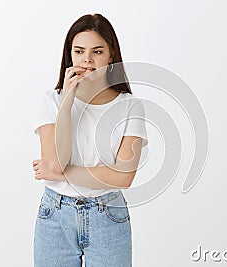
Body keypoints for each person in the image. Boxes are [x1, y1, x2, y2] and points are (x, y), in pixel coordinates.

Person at [31, 13, 148, 267]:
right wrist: (67, 104)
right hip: (55, 216)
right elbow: (56, 162)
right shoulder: (52, 101)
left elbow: (123, 177)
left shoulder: (130, 106)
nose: (87, 60)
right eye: (79, 51)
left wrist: (61, 174)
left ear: (111, 55)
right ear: (69, 55)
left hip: (108, 216)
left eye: (97, 51)